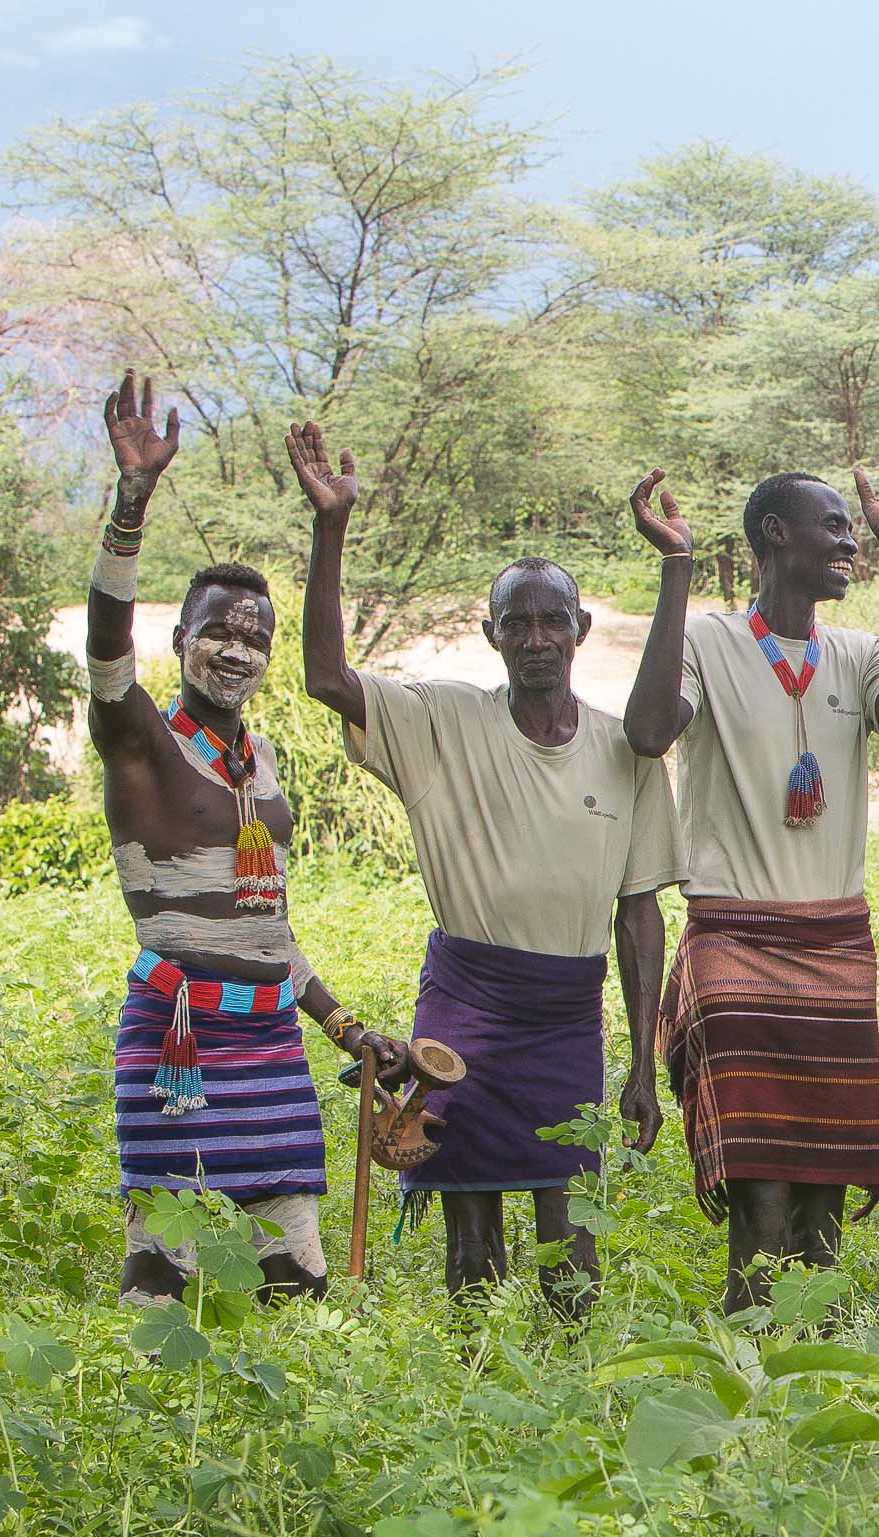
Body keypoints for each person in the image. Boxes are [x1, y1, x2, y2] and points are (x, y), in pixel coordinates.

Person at [289, 422, 676, 1310]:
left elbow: (640, 913)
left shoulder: (628, 751)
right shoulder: (443, 723)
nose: (537, 637)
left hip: (569, 1018)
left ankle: (570, 1393)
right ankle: (474, 1393)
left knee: (571, 1236)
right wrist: (331, 529)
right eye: (517, 622)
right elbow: (325, 677)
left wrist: (643, 1066)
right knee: (471, 1237)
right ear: (492, 634)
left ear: (580, 629)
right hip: (466, 1013)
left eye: (552, 620)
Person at [80, 374, 411, 1304]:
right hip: (177, 1036)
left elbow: (270, 930)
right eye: (216, 631)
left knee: (295, 1252)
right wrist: (132, 498)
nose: (236, 650)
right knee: (164, 1248)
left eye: (253, 636)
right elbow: (106, 643)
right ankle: (149, 1419)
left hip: (268, 1041)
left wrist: (343, 1025)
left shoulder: (259, 766)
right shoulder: (140, 742)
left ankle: (288, 1422)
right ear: (180, 637)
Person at [620, 437, 879, 1310]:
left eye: (854, 533)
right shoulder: (707, 641)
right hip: (738, 943)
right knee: (762, 1196)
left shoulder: (858, 650)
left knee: (824, 1197)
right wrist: (678, 570)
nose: (848, 544)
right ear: (775, 535)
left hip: (835, 945)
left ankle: (809, 1373)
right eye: (833, 527)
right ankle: (750, 1361)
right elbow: (650, 730)